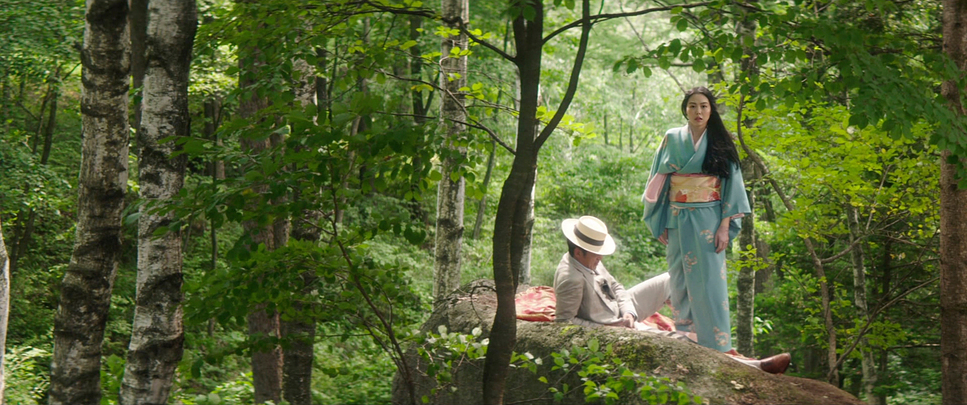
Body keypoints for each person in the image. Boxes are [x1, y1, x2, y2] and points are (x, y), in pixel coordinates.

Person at [555, 215, 790, 374]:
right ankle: (754, 366)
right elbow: (564, 322)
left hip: (620, 311)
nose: (600, 258)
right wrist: (610, 328)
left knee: (672, 280)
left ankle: (697, 331)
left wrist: (628, 312)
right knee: (678, 342)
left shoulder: (588, 257)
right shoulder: (570, 278)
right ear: (578, 252)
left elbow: (616, 287)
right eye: (596, 254)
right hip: (607, 323)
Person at [642, 86, 751, 357]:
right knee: (679, 276)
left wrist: (724, 226)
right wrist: (659, 220)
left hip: (709, 219)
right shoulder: (672, 138)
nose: (698, 111)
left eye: (703, 106)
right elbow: (658, 180)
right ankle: (686, 334)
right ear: (685, 110)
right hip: (677, 216)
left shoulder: (721, 142)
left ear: (711, 110)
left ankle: (717, 342)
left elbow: (732, 186)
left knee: (711, 279)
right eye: (692, 106)